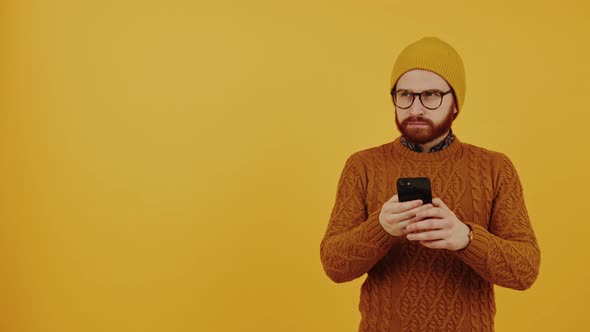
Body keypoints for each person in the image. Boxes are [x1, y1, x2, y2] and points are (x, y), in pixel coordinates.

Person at [319, 37, 540, 332]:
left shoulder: (495, 168)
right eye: (405, 95)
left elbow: (524, 271)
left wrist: (466, 238)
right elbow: (334, 266)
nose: (416, 107)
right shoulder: (363, 166)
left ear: (456, 102)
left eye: (432, 95)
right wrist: (380, 228)